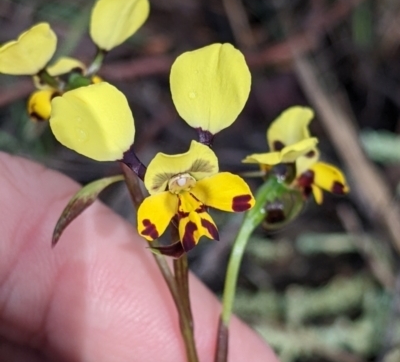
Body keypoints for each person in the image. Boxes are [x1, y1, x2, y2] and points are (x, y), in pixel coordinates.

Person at [0, 152, 279, 362]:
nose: (182, 189)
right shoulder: (157, 207)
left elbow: (240, 197)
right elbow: (151, 223)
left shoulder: (199, 194)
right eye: (176, 186)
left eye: (187, 184)